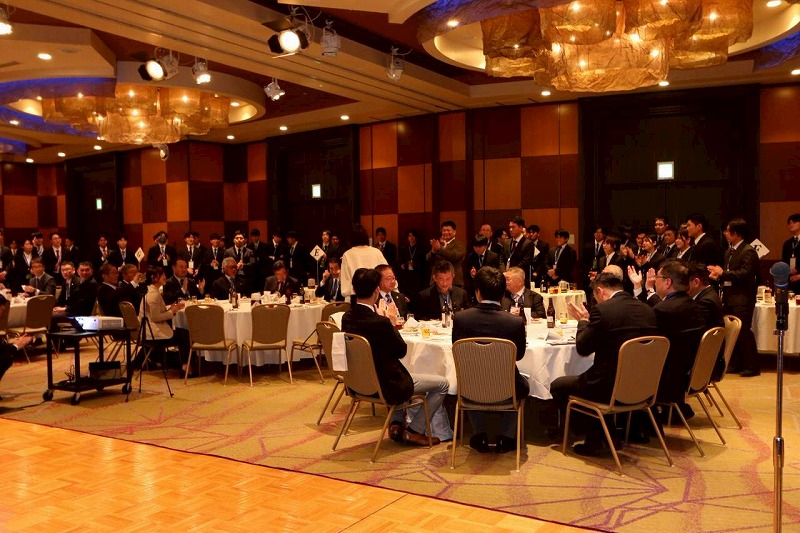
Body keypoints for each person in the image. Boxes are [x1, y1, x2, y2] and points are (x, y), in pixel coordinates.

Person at [550, 273, 658, 456]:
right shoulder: (647, 309)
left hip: (609, 386)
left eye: (595, 296)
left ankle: (595, 437)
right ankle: (608, 433)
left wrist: (583, 322)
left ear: (600, 291)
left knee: (558, 385)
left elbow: (583, 348)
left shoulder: (603, 310)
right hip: (643, 385)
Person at [342, 268, 450, 445]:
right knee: (442, 384)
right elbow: (401, 351)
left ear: (354, 289)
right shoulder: (380, 322)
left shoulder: (347, 318)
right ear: (377, 290)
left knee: (397, 369)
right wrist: (391, 324)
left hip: (357, 382)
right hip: (385, 385)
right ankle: (414, 430)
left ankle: (396, 424)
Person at [451, 266, 529, 453]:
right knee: (523, 385)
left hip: (470, 387)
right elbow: (519, 355)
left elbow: (456, 349)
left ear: (477, 292)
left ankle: (478, 433)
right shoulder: (514, 322)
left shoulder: (461, 318)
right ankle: (507, 437)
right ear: (502, 293)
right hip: (506, 389)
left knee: (471, 378)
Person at [708, 218, 760, 377]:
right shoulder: (728, 251)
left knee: (743, 331)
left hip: (742, 298)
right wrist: (718, 276)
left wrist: (723, 273)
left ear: (736, 233)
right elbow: (728, 273)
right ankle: (735, 363)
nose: (725, 233)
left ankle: (751, 366)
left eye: (728, 231)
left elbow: (746, 274)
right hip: (729, 296)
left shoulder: (748, 251)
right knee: (732, 332)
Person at [138, 267, 191, 374]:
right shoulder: (154, 295)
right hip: (153, 334)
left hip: (149, 331)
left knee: (182, 332)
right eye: (162, 275)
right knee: (185, 334)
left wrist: (171, 308)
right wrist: (172, 311)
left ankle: (185, 364)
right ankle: (185, 367)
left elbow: (156, 312)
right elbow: (156, 317)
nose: (165, 277)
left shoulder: (152, 291)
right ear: (154, 278)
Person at [340, 225, 386, 298]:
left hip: (356, 297)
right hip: (376, 295)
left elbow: (345, 286)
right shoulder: (376, 252)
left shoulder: (347, 254)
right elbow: (386, 274)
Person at [426, 220, 466, 287]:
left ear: (454, 232)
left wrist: (439, 248)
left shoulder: (459, 244)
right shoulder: (439, 244)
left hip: (454, 281)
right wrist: (433, 252)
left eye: (448, 230)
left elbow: (455, 256)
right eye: (444, 230)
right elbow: (428, 259)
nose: (446, 232)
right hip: (436, 281)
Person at [504, 216, 536, 284]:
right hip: (506, 277)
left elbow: (526, 261)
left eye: (513, 227)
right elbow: (501, 259)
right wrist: (504, 271)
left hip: (520, 278)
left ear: (521, 228)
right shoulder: (507, 242)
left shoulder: (528, 243)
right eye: (510, 227)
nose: (511, 230)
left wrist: (512, 272)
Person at [397, 229, 426, 302]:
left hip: (417, 275)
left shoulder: (421, 248)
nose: (411, 238)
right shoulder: (404, 248)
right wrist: (403, 264)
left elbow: (424, 262)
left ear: (416, 237)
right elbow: (400, 260)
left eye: (413, 236)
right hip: (407, 274)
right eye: (409, 236)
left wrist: (415, 264)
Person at [224, 230, 255, 294]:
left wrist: (243, 266)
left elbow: (253, 264)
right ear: (233, 240)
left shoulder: (250, 252)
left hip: (246, 277)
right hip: (233, 277)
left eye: (241, 238)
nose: (239, 240)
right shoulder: (228, 251)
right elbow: (224, 265)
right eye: (237, 238)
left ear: (245, 240)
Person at [782, 213, 800, 294]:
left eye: (794, 222)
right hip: (790, 281)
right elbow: (784, 261)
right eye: (789, 223)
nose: (791, 224)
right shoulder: (787, 243)